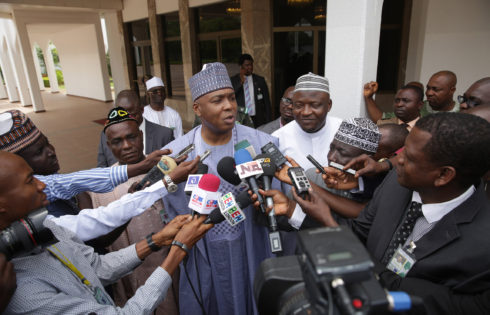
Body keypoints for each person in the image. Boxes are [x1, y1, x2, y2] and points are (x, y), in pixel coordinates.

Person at [286, 113, 490, 314]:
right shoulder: (396, 183)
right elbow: (359, 233)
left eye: (408, 157)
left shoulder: (483, 248)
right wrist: (294, 211)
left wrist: (331, 223)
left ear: (444, 175)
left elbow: (412, 293)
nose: (396, 161)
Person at [0, 150, 212, 314]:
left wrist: (157, 239)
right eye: (30, 180)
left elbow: (97, 267)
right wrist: (179, 249)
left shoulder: (46, 227)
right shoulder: (22, 291)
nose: (41, 185)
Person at [161, 62, 279, 315]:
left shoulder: (263, 144)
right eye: (218, 100)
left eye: (231, 97)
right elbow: (170, 207)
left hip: (251, 247)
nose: (229, 105)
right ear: (197, 108)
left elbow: (276, 202)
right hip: (203, 251)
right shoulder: (178, 154)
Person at [0, 109, 196, 243]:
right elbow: (99, 237)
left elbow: (72, 180)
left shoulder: (60, 186)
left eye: (47, 143)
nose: (51, 152)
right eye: (39, 152)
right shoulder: (41, 218)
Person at [91, 107, 192, 314]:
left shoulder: (170, 169)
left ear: (141, 136)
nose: (127, 146)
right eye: (117, 142)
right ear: (109, 146)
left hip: (174, 269)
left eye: (131, 137)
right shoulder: (101, 187)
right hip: (131, 278)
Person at [272, 72, 342, 170]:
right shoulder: (278, 138)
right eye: (299, 105)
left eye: (315, 105)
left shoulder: (345, 132)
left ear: (329, 105)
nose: (306, 112)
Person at [97, 90, 174, 167]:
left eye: (132, 115)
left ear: (141, 110)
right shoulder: (106, 136)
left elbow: (172, 166)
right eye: (121, 115)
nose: (126, 120)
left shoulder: (165, 134)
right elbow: (101, 168)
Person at [230, 54, 272, 127]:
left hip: (258, 118)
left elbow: (267, 102)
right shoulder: (234, 80)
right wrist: (241, 83)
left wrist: (268, 121)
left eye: (251, 64)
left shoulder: (260, 80)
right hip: (242, 118)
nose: (250, 67)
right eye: (247, 65)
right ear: (241, 66)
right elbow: (231, 96)